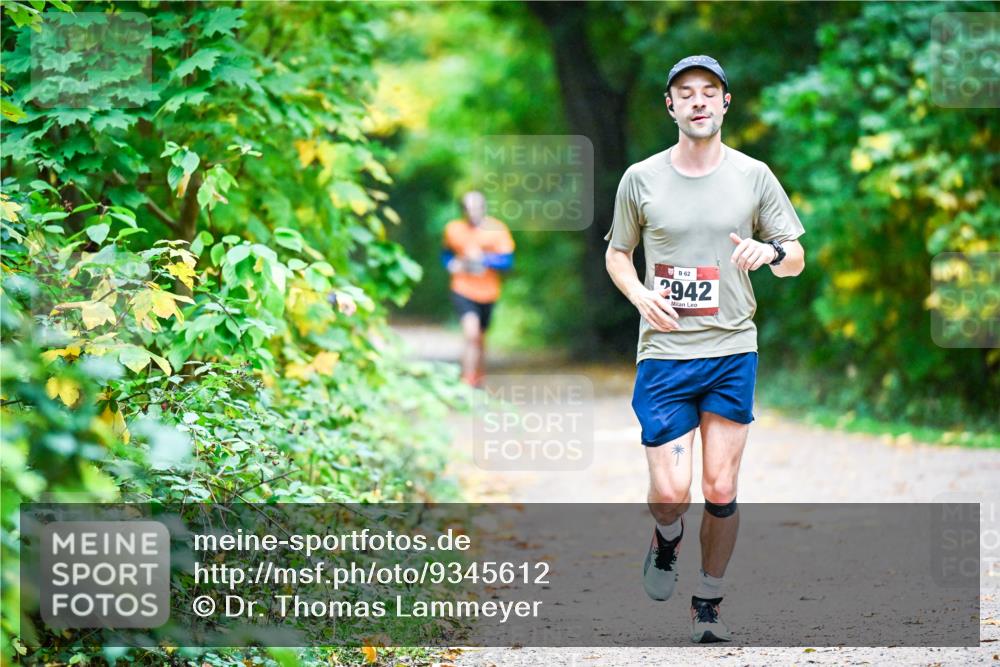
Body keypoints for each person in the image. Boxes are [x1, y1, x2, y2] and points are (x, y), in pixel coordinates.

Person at [604, 55, 806, 643]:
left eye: (709, 91)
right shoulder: (640, 178)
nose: (698, 101)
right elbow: (618, 253)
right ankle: (666, 537)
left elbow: (795, 257)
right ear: (670, 106)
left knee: (720, 487)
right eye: (686, 92)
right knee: (672, 495)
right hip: (665, 354)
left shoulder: (753, 175)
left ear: (725, 103)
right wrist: (640, 294)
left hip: (732, 348)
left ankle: (709, 601)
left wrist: (770, 253)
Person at [442, 191, 515, 387]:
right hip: (462, 288)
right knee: (471, 333)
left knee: (480, 338)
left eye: (476, 208)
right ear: (463, 210)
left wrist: (484, 259)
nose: (472, 212)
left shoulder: (497, 230)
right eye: (468, 208)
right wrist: (451, 264)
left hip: (488, 291)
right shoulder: (453, 229)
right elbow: (446, 254)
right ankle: (466, 381)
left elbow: (507, 261)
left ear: (483, 208)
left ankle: (478, 377)